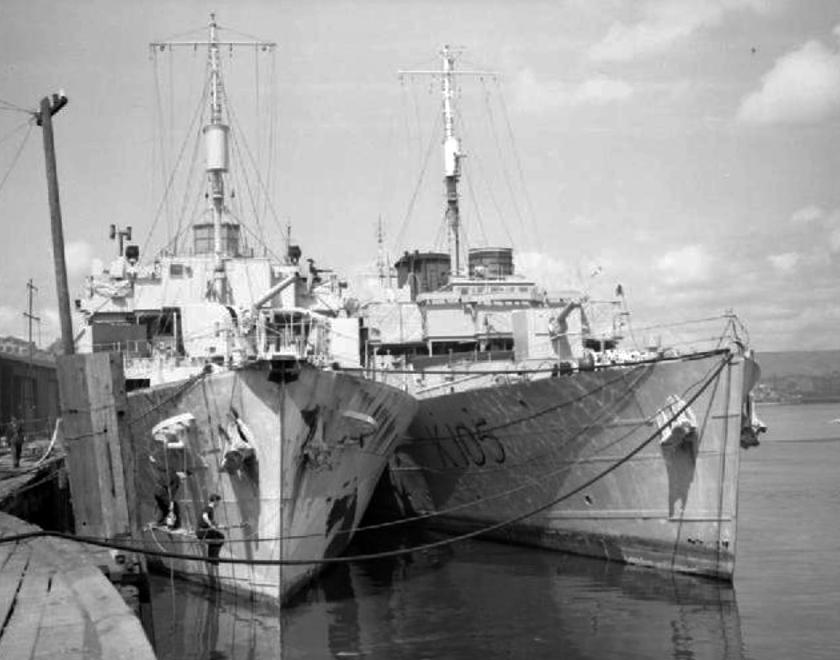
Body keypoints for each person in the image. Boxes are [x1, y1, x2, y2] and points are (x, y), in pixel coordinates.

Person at [196, 493, 225, 565]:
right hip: (202, 532)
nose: (218, 504)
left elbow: (213, 522)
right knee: (219, 538)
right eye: (218, 502)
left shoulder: (209, 509)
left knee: (219, 537)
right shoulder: (208, 508)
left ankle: (212, 557)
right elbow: (205, 516)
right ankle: (213, 558)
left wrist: (223, 526)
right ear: (215, 501)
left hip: (204, 531)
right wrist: (210, 525)